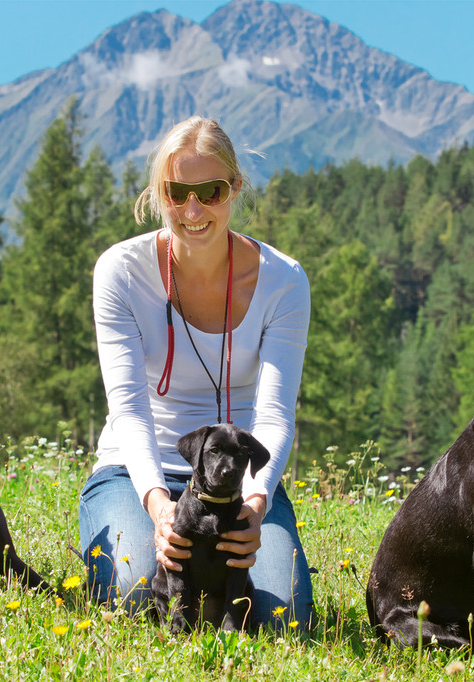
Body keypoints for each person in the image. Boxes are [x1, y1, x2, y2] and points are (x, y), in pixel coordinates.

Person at [78, 116, 314, 629]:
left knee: (280, 615)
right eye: (176, 191)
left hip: (236, 481)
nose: (192, 209)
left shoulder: (283, 281)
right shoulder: (119, 271)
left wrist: (255, 504)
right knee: (135, 597)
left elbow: (273, 415)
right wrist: (160, 508)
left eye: (209, 191)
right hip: (137, 472)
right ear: (157, 192)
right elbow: (129, 410)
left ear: (235, 188)